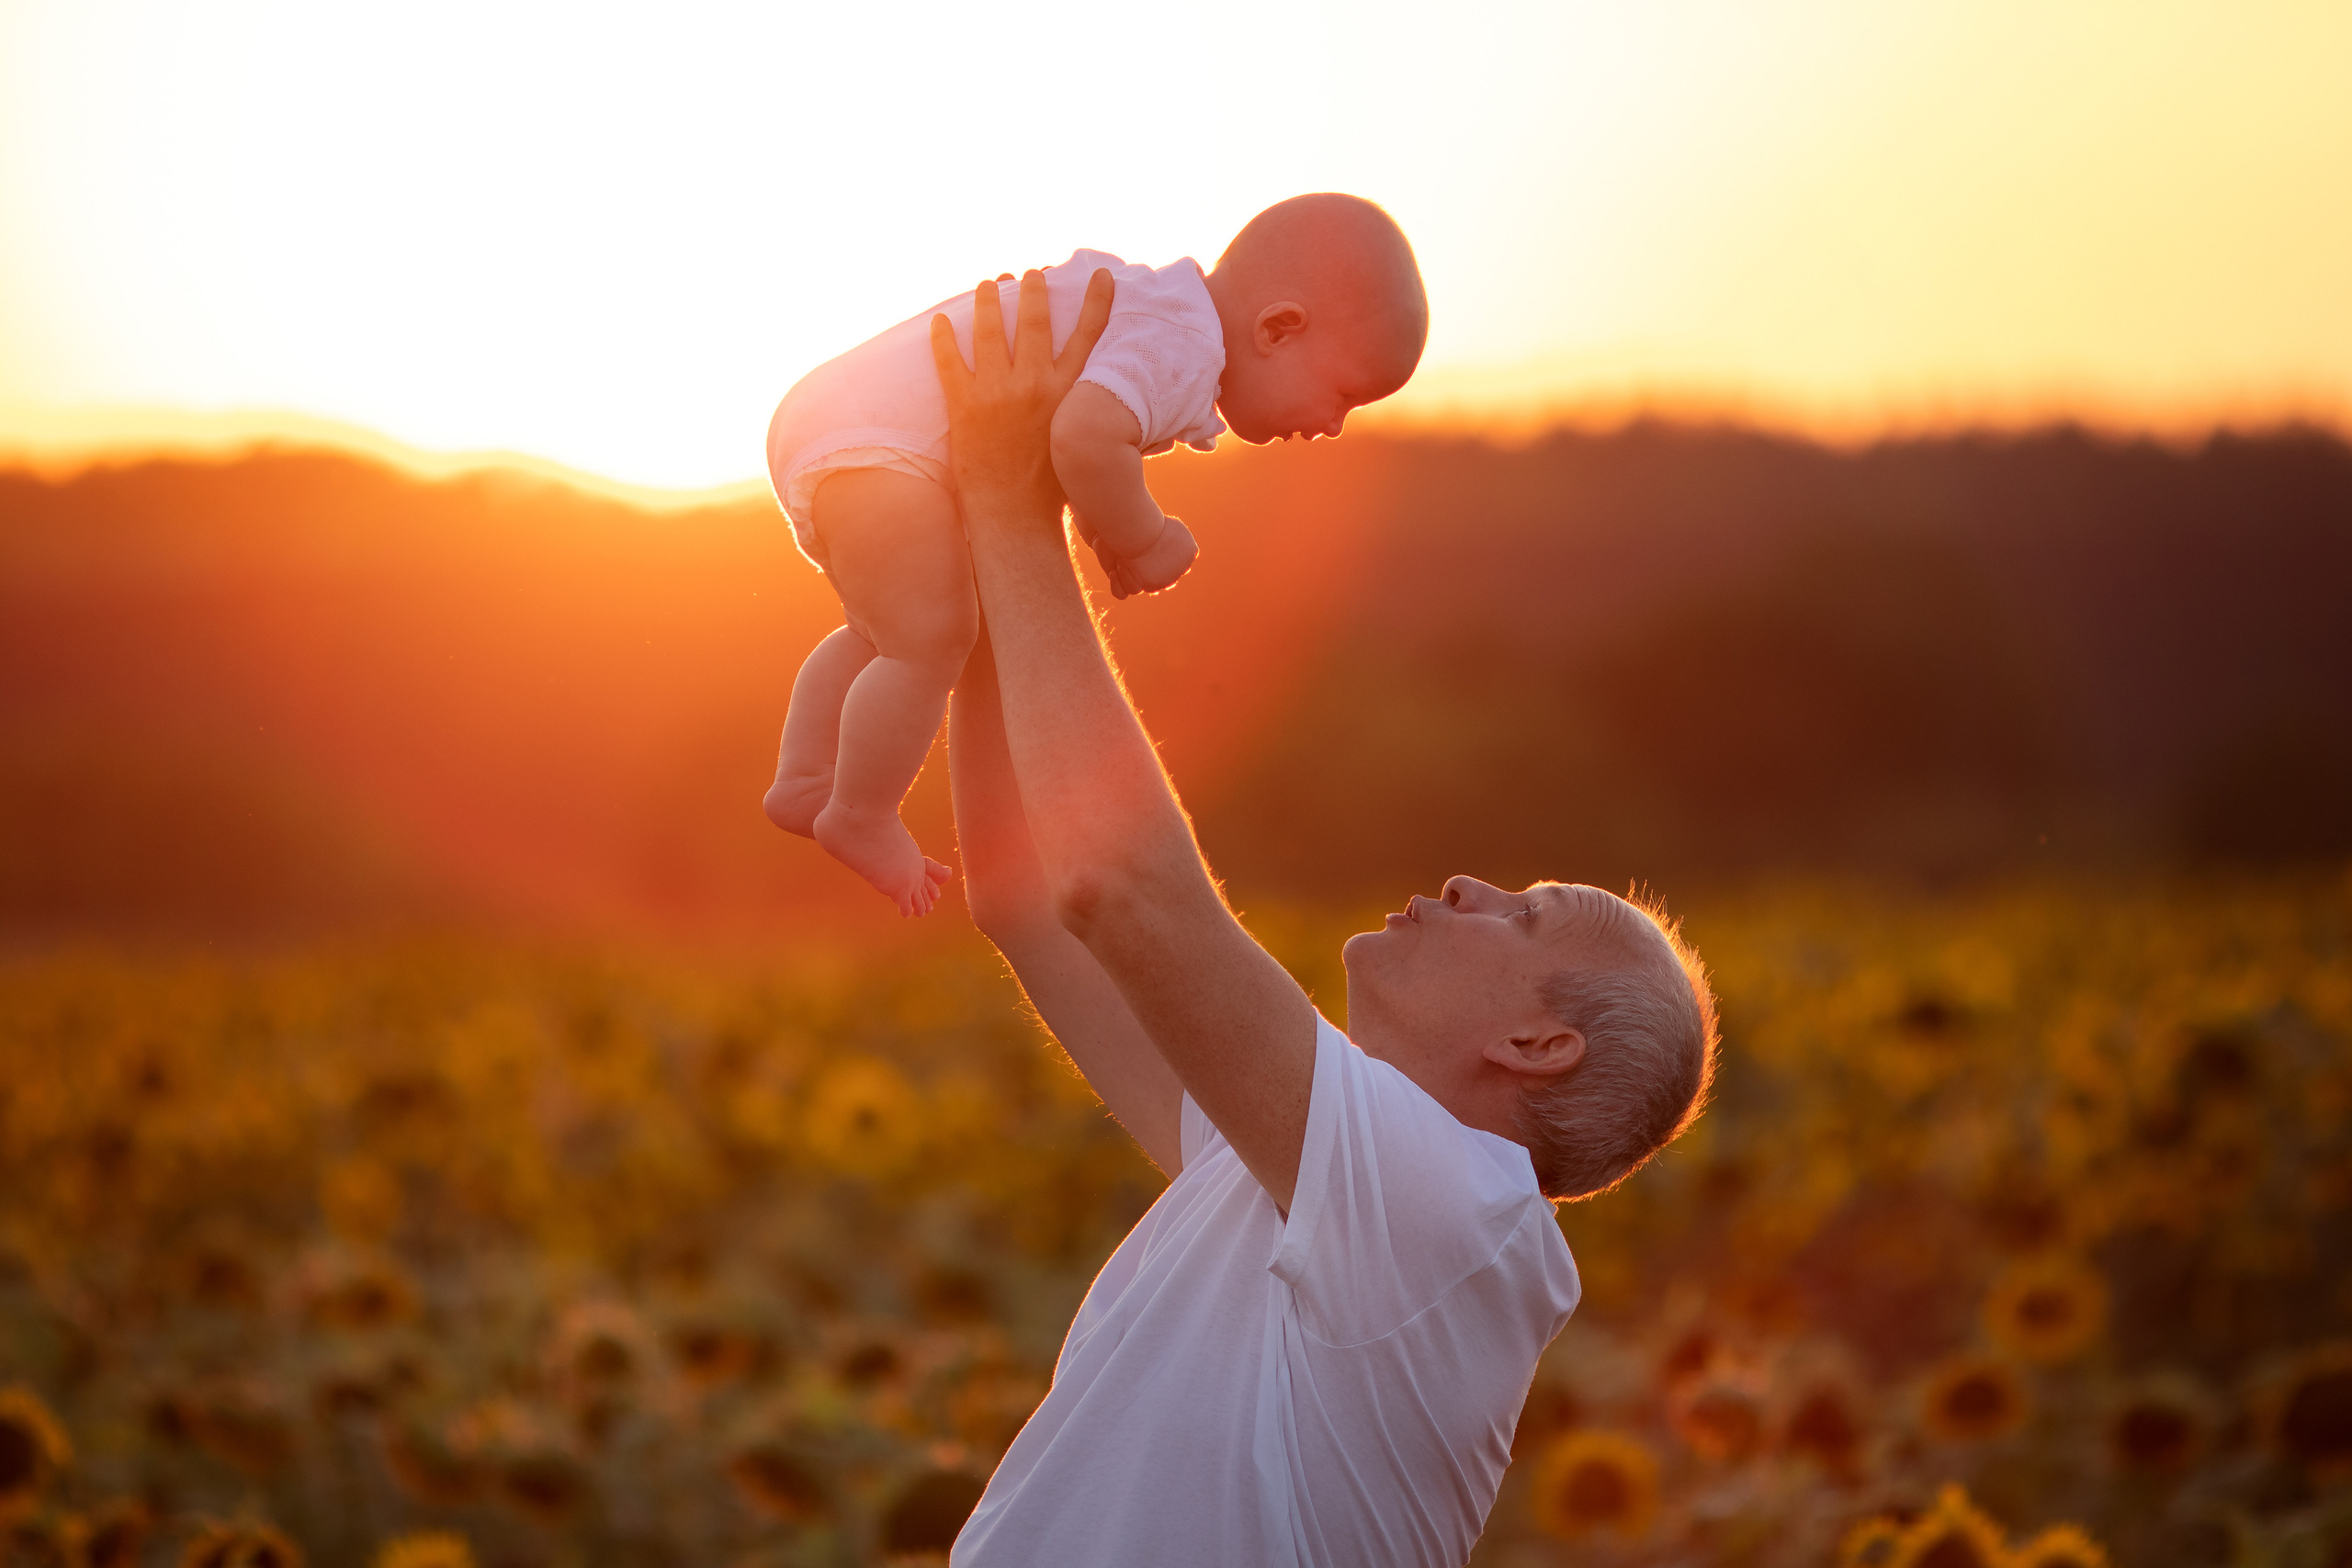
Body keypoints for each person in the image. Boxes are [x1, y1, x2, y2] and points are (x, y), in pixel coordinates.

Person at [934, 271, 1720, 1566]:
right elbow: (1028, 897)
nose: (1472, 885)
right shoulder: (1283, 1167)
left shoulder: (1458, 1213)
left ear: (1536, 1045)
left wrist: (1014, 499)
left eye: (1525, 917)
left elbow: (1117, 892)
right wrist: (987, 569)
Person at [761, 195, 1429, 916]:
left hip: (841, 420)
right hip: (879, 441)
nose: (1333, 425)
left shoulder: (1157, 311)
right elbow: (1083, 439)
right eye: (1345, 395)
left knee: (884, 631)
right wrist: (1145, 535)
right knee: (932, 638)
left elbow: (1068, 440)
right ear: (1278, 328)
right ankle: (860, 812)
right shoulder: (1188, 346)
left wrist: (1101, 520)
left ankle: (803, 778)